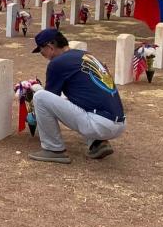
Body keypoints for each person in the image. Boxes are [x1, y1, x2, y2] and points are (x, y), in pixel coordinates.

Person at [27, 28, 126, 164]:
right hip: (118, 122)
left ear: (50, 47)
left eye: (41, 50)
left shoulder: (57, 63)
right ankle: (97, 143)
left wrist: (32, 112)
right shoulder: (86, 55)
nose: (42, 54)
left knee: (40, 97)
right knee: (75, 97)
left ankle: (53, 149)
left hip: (99, 123)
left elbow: (49, 97)